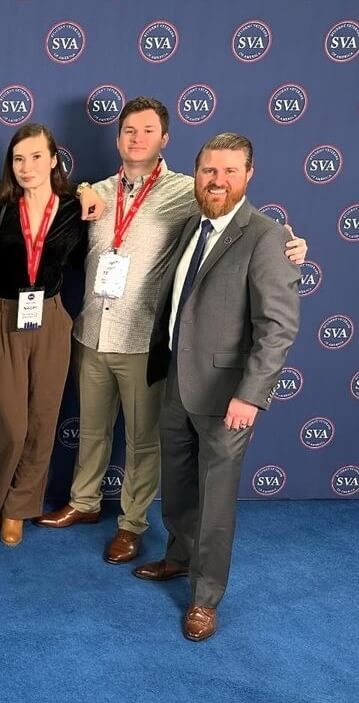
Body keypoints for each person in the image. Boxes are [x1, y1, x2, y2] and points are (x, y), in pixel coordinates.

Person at [34, 98, 308, 564]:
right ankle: (83, 502)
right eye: (128, 131)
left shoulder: (189, 190)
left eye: (147, 131)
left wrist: (291, 245)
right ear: (117, 138)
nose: (136, 138)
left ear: (165, 140)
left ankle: (131, 524)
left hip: (145, 341)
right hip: (92, 333)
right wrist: (81, 188)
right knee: (93, 430)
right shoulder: (98, 189)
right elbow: (63, 194)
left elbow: (238, 223)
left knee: (143, 441)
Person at [135, 133, 300, 642]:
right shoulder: (191, 226)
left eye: (229, 171)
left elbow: (278, 327)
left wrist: (250, 395)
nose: (217, 181)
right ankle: (179, 557)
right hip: (176, 386)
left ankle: (205, 598)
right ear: (197, 173)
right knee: (179, 487)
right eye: (209, 170)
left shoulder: (267, 237)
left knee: (216, 501)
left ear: (248, 176)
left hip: (227, 397)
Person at [0, 124, 87, 547]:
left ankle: (19, 507)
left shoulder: (77, 208)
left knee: (43, 419)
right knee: (12, 422)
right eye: (18, 159)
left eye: (36, 157)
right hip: (2, 315)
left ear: (54, 160)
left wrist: (90, 191)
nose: (26, 167)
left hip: (51, 316)